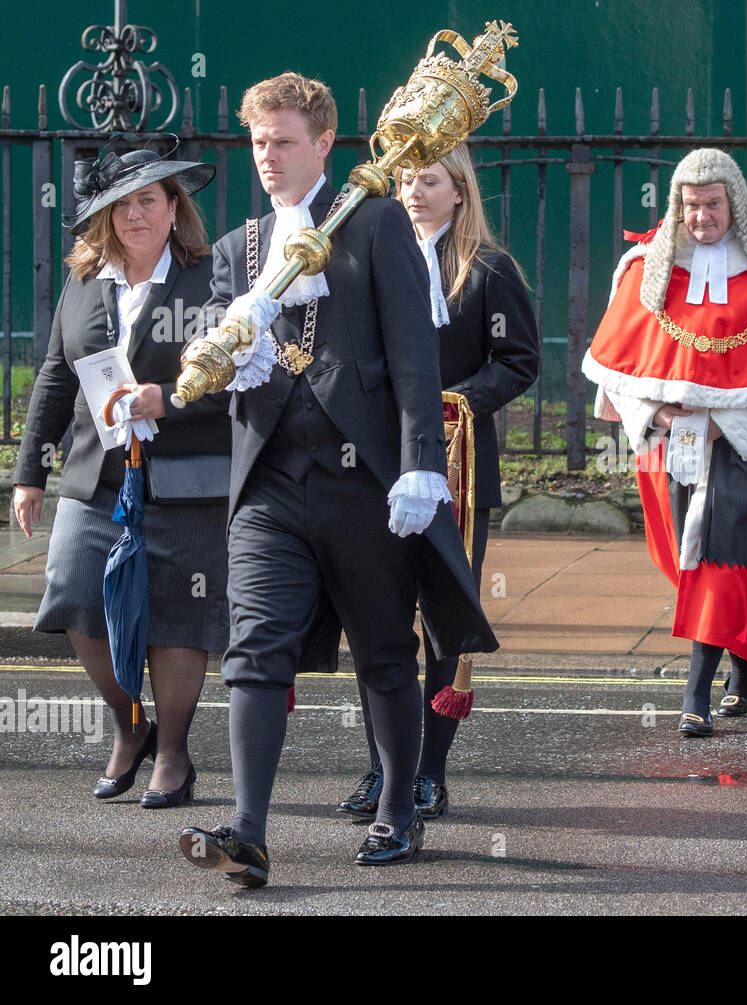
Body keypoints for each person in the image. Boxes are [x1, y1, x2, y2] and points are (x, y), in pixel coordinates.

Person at [177, 72, 496, 887]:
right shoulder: (241, 249)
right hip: (271, 488)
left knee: (386, 652)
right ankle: (248, 828)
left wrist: (421, 459)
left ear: (323, 143)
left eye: (284, 141)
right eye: (258, 143)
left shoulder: (377, 223)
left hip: (364, 481)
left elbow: (414, 357)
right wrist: (227, 347)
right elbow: (225, 359)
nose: (268, 157)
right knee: (253, 647)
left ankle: (398, 806)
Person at [583, 148, 747, 737]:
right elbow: (620, 375)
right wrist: (662, 416)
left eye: (713, 204)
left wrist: (728, 425)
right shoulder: (646, 268)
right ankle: (744, 664)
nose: (701, 216)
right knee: (693, 566)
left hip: (746, 450)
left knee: (722, 571)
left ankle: (695, 693)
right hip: (672, 449)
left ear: (736, 204)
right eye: (691, 205)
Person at [12, 140, 227, 808]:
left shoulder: (211, 276)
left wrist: (172, 396)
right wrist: (30, 472)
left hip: (188, 475)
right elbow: (55, 372)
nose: (135, 214)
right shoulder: (84, 278)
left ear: (173, 209)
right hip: (97, 471)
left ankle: (172, 753)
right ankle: (131, 723)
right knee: (74, 591)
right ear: (104, 216)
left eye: (148, 200)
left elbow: (239, 374)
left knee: (177, 616)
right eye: (121, 204)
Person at [338, 143, 539, 821]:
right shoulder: (368, 261)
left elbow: (519, 359)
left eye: (430, 181)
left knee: (442, 622)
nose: (414, 191)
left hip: (456, 467)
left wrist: (458, 399)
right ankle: (382, 769)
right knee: (377, 619)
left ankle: (429, 770)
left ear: (460, 191)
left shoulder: (488, 268)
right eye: (404, 180)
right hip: (377, 462)